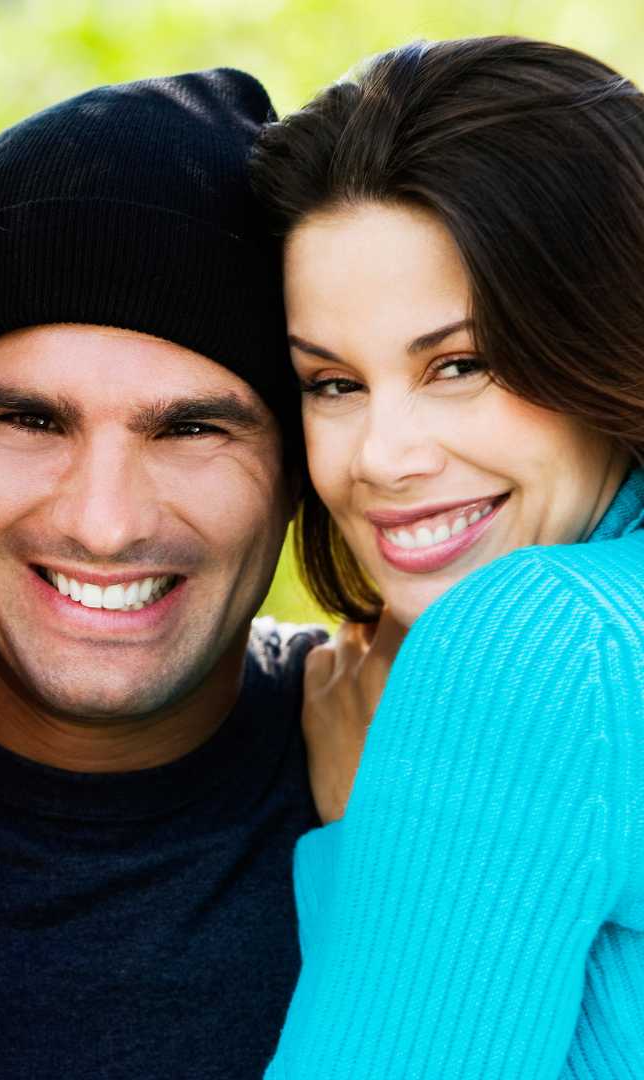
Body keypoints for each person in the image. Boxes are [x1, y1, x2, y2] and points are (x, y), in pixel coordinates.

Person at [0, 68, 322, 1080]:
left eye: (193, 429)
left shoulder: (416, 792)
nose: (104, 524)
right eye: (28, 419)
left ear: (301, 472)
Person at [250, 36, 644, 1077]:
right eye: (331, 382)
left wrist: (369, 834)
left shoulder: (539, 640)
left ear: (603, 336)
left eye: (460, 364)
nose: (382, 458)